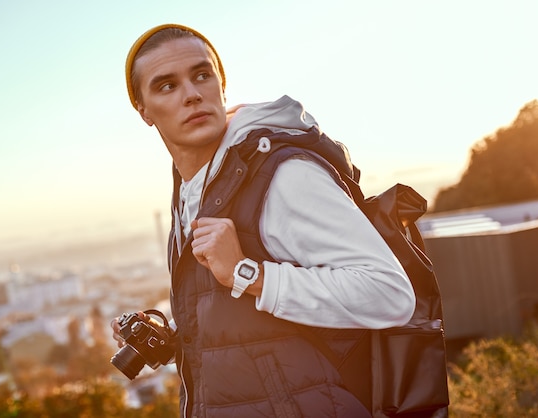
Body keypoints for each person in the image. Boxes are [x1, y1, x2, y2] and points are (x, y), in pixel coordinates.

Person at [112, 23, 415, 417]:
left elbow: (390, 294)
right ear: (144, 112)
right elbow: (254, 334)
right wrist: (171, 340)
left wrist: (246, 274)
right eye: (167, 86)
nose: (191, 95)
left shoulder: (283, 175)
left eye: (202, 75)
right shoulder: (193, 191)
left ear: (222, 86)